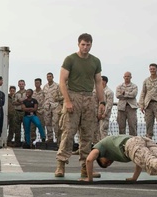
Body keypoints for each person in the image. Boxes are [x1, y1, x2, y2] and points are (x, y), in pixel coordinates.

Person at [55, 33, 105, 178]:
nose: (85, 47)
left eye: (88, 45)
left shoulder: (95, 61)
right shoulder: (70, 59)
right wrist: (68, 101)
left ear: (91, 45)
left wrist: (101, 102)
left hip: (89, 98)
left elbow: (98, 82)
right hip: (73, 96)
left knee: (87, 135)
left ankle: (86, 167)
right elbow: (62, 81)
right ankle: (61, 164)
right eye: (83, 44)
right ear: (78, 44)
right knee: (68, 133)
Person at [82, 135, 157, 191]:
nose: (108, 163)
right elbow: (139, 160)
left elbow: (89, 159)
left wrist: (89, 178)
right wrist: (134, 178)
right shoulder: (113, 148)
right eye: (107, 165)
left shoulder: (100, 147)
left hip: (131, 144)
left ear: (100, 156)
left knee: (150, 161)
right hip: (142, 139)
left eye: (104, 163)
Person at [115, 72, 139, 136]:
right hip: (121, 108)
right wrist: (128, 94)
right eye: (125, 76)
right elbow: (117, 95)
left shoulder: (134, 86)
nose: (126, 78)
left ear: (131, 77)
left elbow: (133, 95)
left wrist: (124, 93)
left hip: (131, 108)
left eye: (128, 76)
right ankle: (122, 142)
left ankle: (133, 141)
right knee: (121, 126)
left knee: (132, 126)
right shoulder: (119, 86)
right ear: (123, 77)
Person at [42, 72, 62, 143]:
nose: (49, 78)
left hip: (55, 106)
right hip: (47, 107)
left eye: (50, 76)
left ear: (53, 77)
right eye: (48, 77)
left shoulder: (57, 86)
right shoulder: (45, 87)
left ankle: (57, 138)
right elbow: (43, 97)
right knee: (47, 123)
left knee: (55, 123)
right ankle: (50, 137)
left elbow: (61, 96)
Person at [8, 80, 27, 146]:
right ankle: (17, 141)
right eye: (20, 84)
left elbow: (28, 101)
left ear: (24, 84)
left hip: (24, 112)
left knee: (26, 127)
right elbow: (14, 102)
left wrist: (20, 102)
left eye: (22, 84)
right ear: (18, 85)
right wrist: (21, 102)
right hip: (17, 112)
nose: (21, 85)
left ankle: (26, 141)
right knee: (17, 128)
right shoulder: (16, 94)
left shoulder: (27, 93)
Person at [96, 75, 114, 141]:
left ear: (104, 82)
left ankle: (104, 148)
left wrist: (105, 114)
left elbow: (109, 105)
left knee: (103, 132)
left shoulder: (109, 92)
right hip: (97, 115)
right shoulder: (97, 91)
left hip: (104, 116)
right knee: (96, 133)